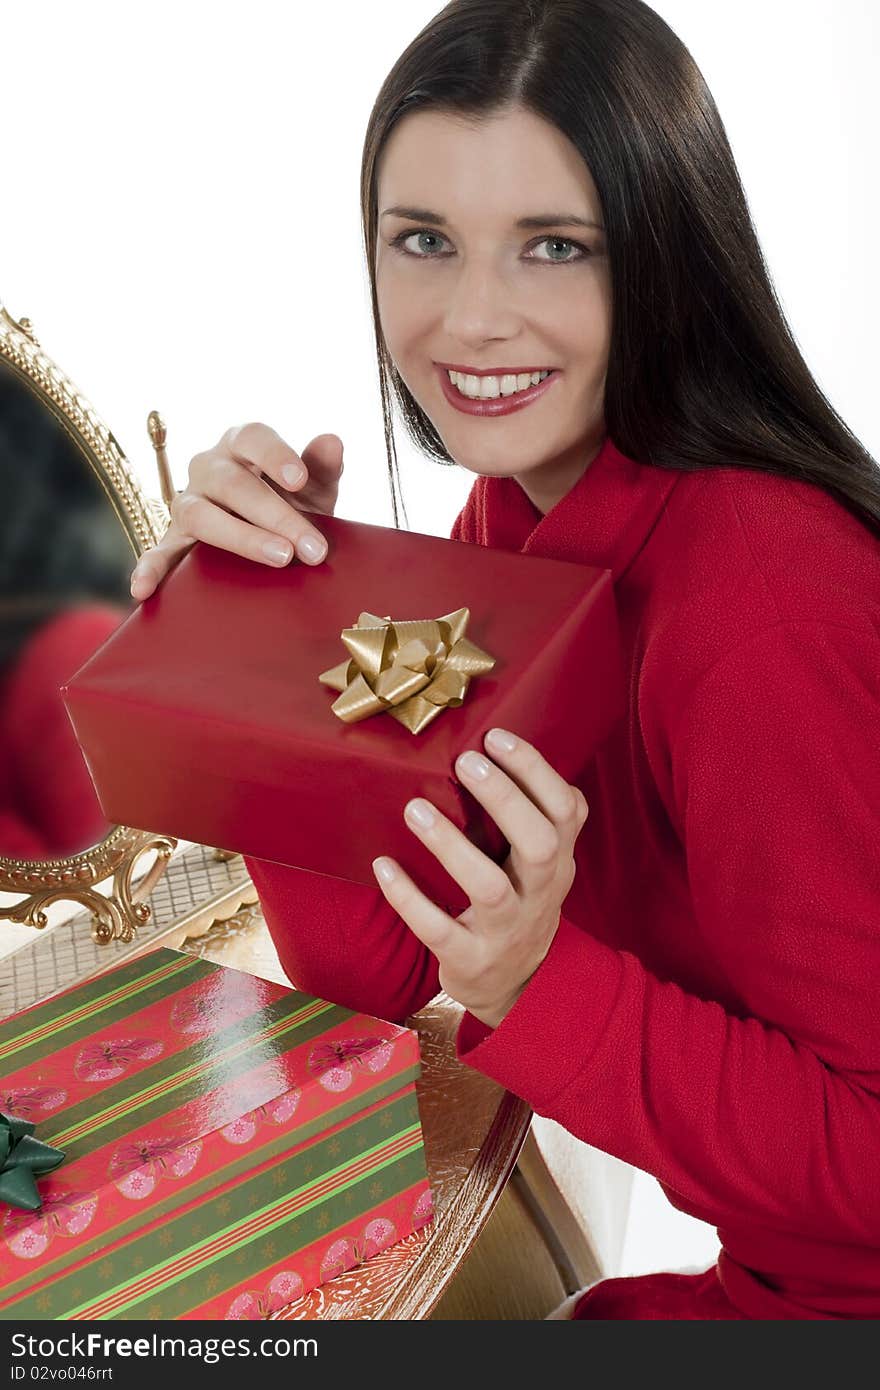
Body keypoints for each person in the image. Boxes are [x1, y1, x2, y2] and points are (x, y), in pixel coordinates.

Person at [128, 0, 880, 1320]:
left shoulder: (765, 604)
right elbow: (374, 965)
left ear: (664, 262)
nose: (471, 320)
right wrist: (253, 653)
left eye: (551, 248)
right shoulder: (515, 520)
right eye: (424, 242)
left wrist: (538, 983)